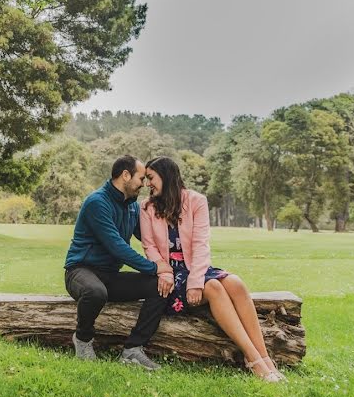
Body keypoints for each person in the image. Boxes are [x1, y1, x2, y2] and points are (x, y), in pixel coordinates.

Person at [139, 156, 285, 383]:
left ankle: (265, 357)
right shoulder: (147, 207)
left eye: (151, 178)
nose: (148, 183)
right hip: (170, 273)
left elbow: (200, 244)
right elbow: (149, 246)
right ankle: (254, 360)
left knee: (236, 283)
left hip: (196, 267)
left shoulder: (196, 201)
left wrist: (196, 281)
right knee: (215, 287)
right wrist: (165, 271)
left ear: (166, 176)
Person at [64, 155, 173, 371]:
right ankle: (83, 339)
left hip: (110, 276)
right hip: (80, 271)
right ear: (125, 175)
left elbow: (148, 238)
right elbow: (117, 247)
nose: (144, 184)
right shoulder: (97, 202)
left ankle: (133, 349)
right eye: (141, 178)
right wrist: (153, 267)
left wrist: (170, 261)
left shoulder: (131, 207)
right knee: (96, 292)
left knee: (158, 287)